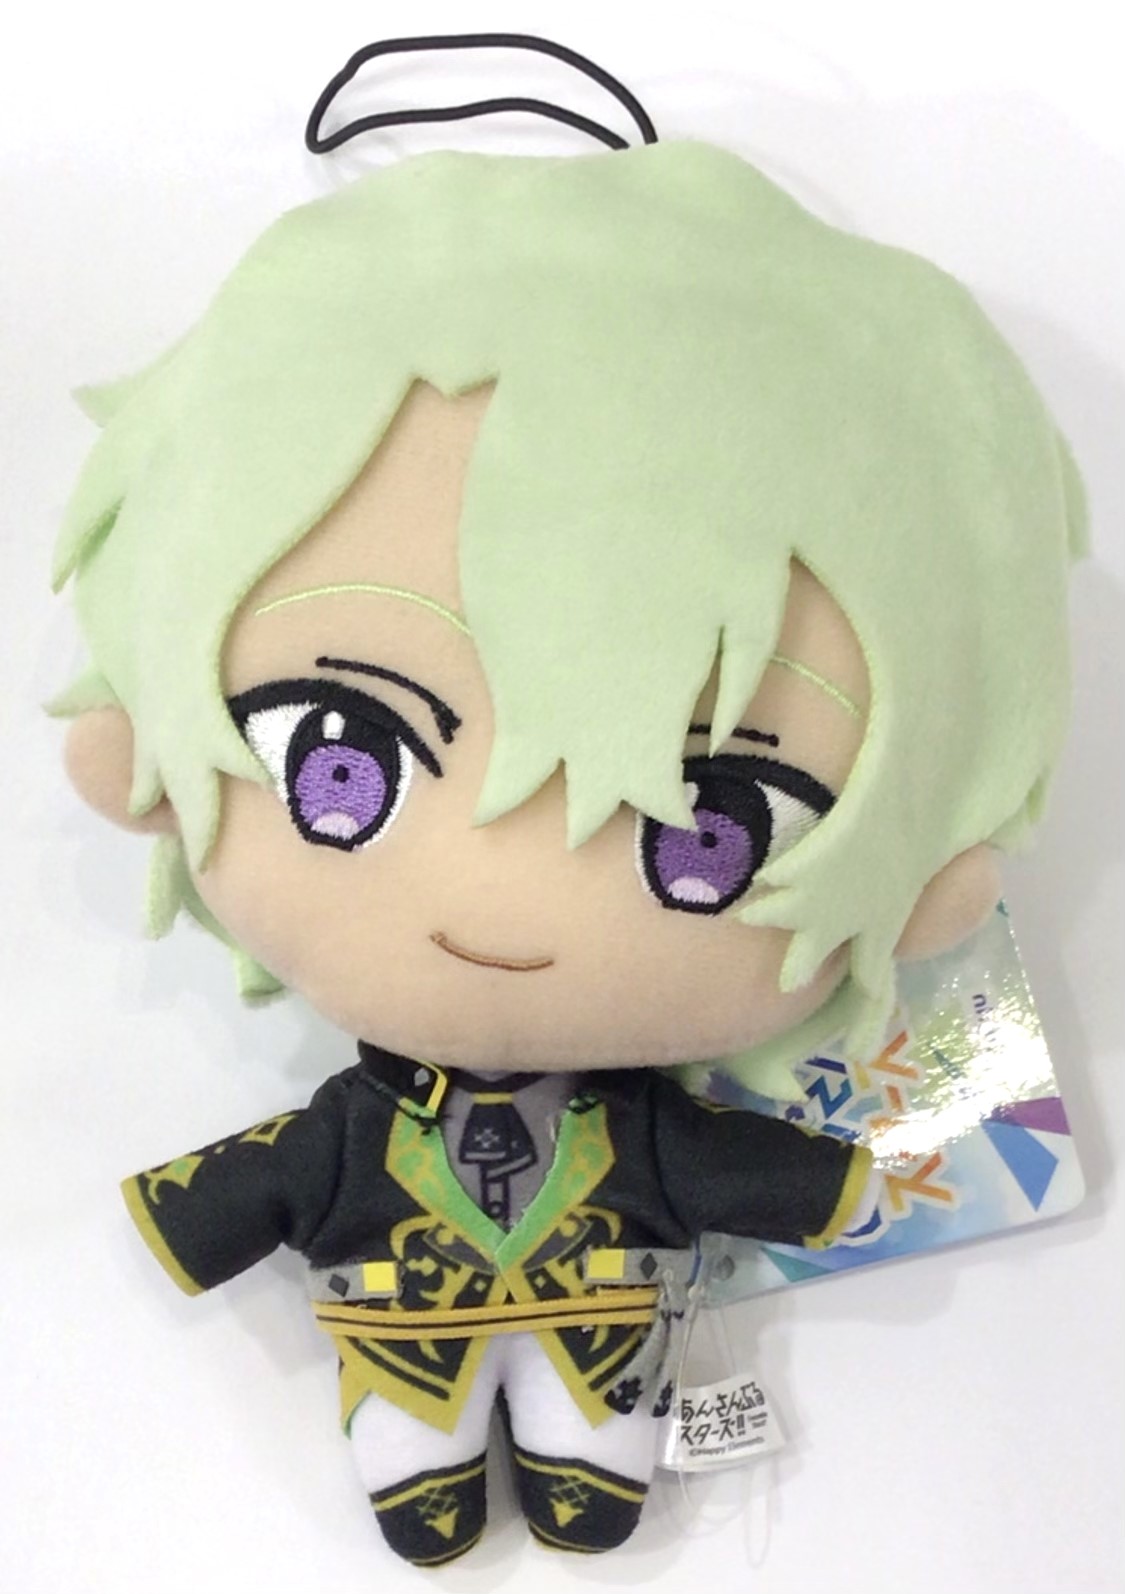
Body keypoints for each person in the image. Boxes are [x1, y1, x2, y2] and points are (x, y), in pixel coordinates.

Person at [54, 140, 1080, 1562]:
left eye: (712, 833)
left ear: (924, 887)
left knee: (596, 1477)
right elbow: (269, 1180)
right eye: (342, 757)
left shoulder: (624, 1132)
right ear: (142, 760)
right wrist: (198, 1220)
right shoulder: (374, 1130)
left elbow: (739, 1168)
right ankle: (430, 1483)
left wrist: (839, 1188)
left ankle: (576, 1476)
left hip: (606, 1355)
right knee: (415, 1479)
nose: (503, 895)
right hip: (406, 1351)